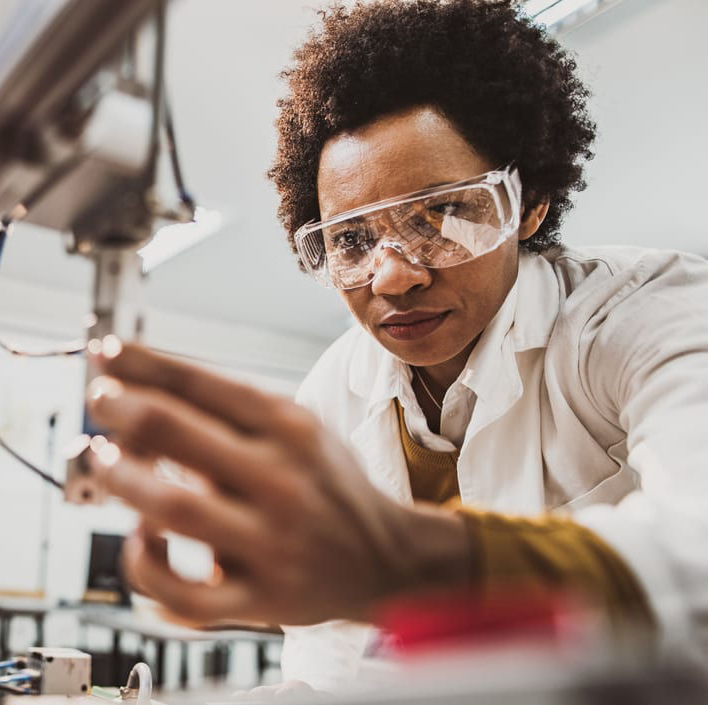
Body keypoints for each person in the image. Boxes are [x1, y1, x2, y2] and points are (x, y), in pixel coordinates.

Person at [81, 0, 708, 691]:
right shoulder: (333, 390)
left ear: (529, 202)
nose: (393, 275)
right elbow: (332, 673)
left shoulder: (647, 314)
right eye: (351, 239)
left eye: (441, 215)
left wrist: (416, 559)